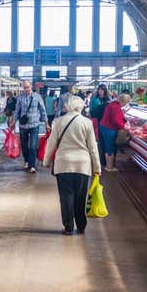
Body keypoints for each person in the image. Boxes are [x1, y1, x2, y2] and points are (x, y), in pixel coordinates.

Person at [43, 96, 101, 235]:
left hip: (63, 164)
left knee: (66, 196)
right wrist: (97, 167)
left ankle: (68, 227)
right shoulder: (87, 122)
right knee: (81, 197)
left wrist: (46, 161)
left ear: (67, 106)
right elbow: (93, 147)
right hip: (83, 165)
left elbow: (51, 144)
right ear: (81, 107)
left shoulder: (58, 121)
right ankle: (81, 226)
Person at [12, 81, 48, 173]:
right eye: (24, 88)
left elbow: (43, 110)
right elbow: (17, 111)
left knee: (33, 146)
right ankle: (27, 161)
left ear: (31, 86)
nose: (26, 89)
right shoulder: (20, 98)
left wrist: (46, 123)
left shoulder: (37, 97)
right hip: (23, 125)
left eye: (27, 87)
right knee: (24, 145)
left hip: (34, 125)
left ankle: (32, 166)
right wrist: (13, 122)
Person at [99, 93, 131, 172]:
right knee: (110, 147)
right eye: (126, 103)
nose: (125, 105)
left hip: (105, 127)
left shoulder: (113, 104)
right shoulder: (116, 107)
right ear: (123, 101)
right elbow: (116, 121)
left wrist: (125, 120)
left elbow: (117, 118)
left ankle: (108, 165)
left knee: (107, 147)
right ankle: (109, 167)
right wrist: (124, 127)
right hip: (109, 128)